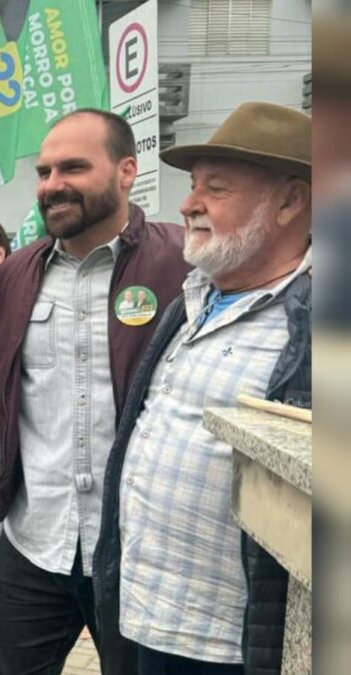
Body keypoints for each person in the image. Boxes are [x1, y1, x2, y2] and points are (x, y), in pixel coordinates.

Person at [94, 102, 312, 675]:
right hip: (148, 617)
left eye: (215, 188)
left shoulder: (317, 324)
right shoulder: (190, 301)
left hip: (231, 646)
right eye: (193, 187)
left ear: (290, 202)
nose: (190, 205)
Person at [0, 108, 192, 675]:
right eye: (45, 171)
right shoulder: (19, 272)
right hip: (32, 542)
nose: (53, 185)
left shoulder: (184, 262)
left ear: (126, 171)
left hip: (140, 552)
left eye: (73, 167)